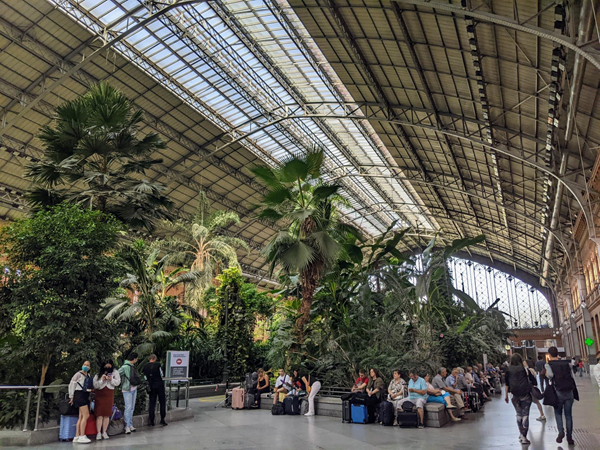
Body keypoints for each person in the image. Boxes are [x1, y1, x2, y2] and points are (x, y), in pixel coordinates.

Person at [546, 346, 577, 446]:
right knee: (568, 415)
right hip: (569, 391)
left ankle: (560, 432)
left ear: (549, 355)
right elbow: (572, 375)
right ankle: (570, 437)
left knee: (558, 413)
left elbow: (550, 376)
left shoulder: (549, 364)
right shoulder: (567, 363)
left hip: (558, 392)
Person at [504, 353, 535, 445]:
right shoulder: (524, 369)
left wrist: (506, 395)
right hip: (525, 393)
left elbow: (506, 384)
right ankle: (524, 436)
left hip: (514, 394)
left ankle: (521, 433)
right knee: (525, 414)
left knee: (518, 414)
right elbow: (533, 380)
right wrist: (527, 368)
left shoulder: (508, 369)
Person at [93, 360, 121, 441]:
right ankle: (98, 432)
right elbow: (95, 385)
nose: (108, 368)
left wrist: (111, 379)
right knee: (99, 414)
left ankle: (104, 432)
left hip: (109, 394)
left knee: (106, 414)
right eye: (106, 367)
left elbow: (117, 382)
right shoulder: (98, 374)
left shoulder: (115, 372)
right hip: (100, 395)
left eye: (109, 367)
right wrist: (102, 379)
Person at [68, 360, 93, 444]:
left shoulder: (88, 375)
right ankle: (82, 435)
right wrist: (71, 396)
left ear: (90, 367)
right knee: (86, 415)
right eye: (84, 364)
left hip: (85, 395)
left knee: (81, 416)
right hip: (79, 395)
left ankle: (77, 435)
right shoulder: (78, 374)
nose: (85, 366)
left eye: (87, 365)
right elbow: (72, 384)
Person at [143, 354, 168, 426]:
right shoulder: (158, 365)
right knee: (162, 402)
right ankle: (162, 419)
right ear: (154, 358)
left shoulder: (145, 366)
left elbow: (145, 377)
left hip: (151, 386)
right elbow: (161, 374)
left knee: (152, 403)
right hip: (159, 385)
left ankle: (151, 420)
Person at [118, 352, 139, 434]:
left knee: (131, 407)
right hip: (127, 389)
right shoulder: (124, 367)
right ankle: (127, 425)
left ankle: (130, 424)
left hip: (133, 388)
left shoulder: (131, 366)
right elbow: (117, 373)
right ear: (134, 359)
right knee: (128, 407)